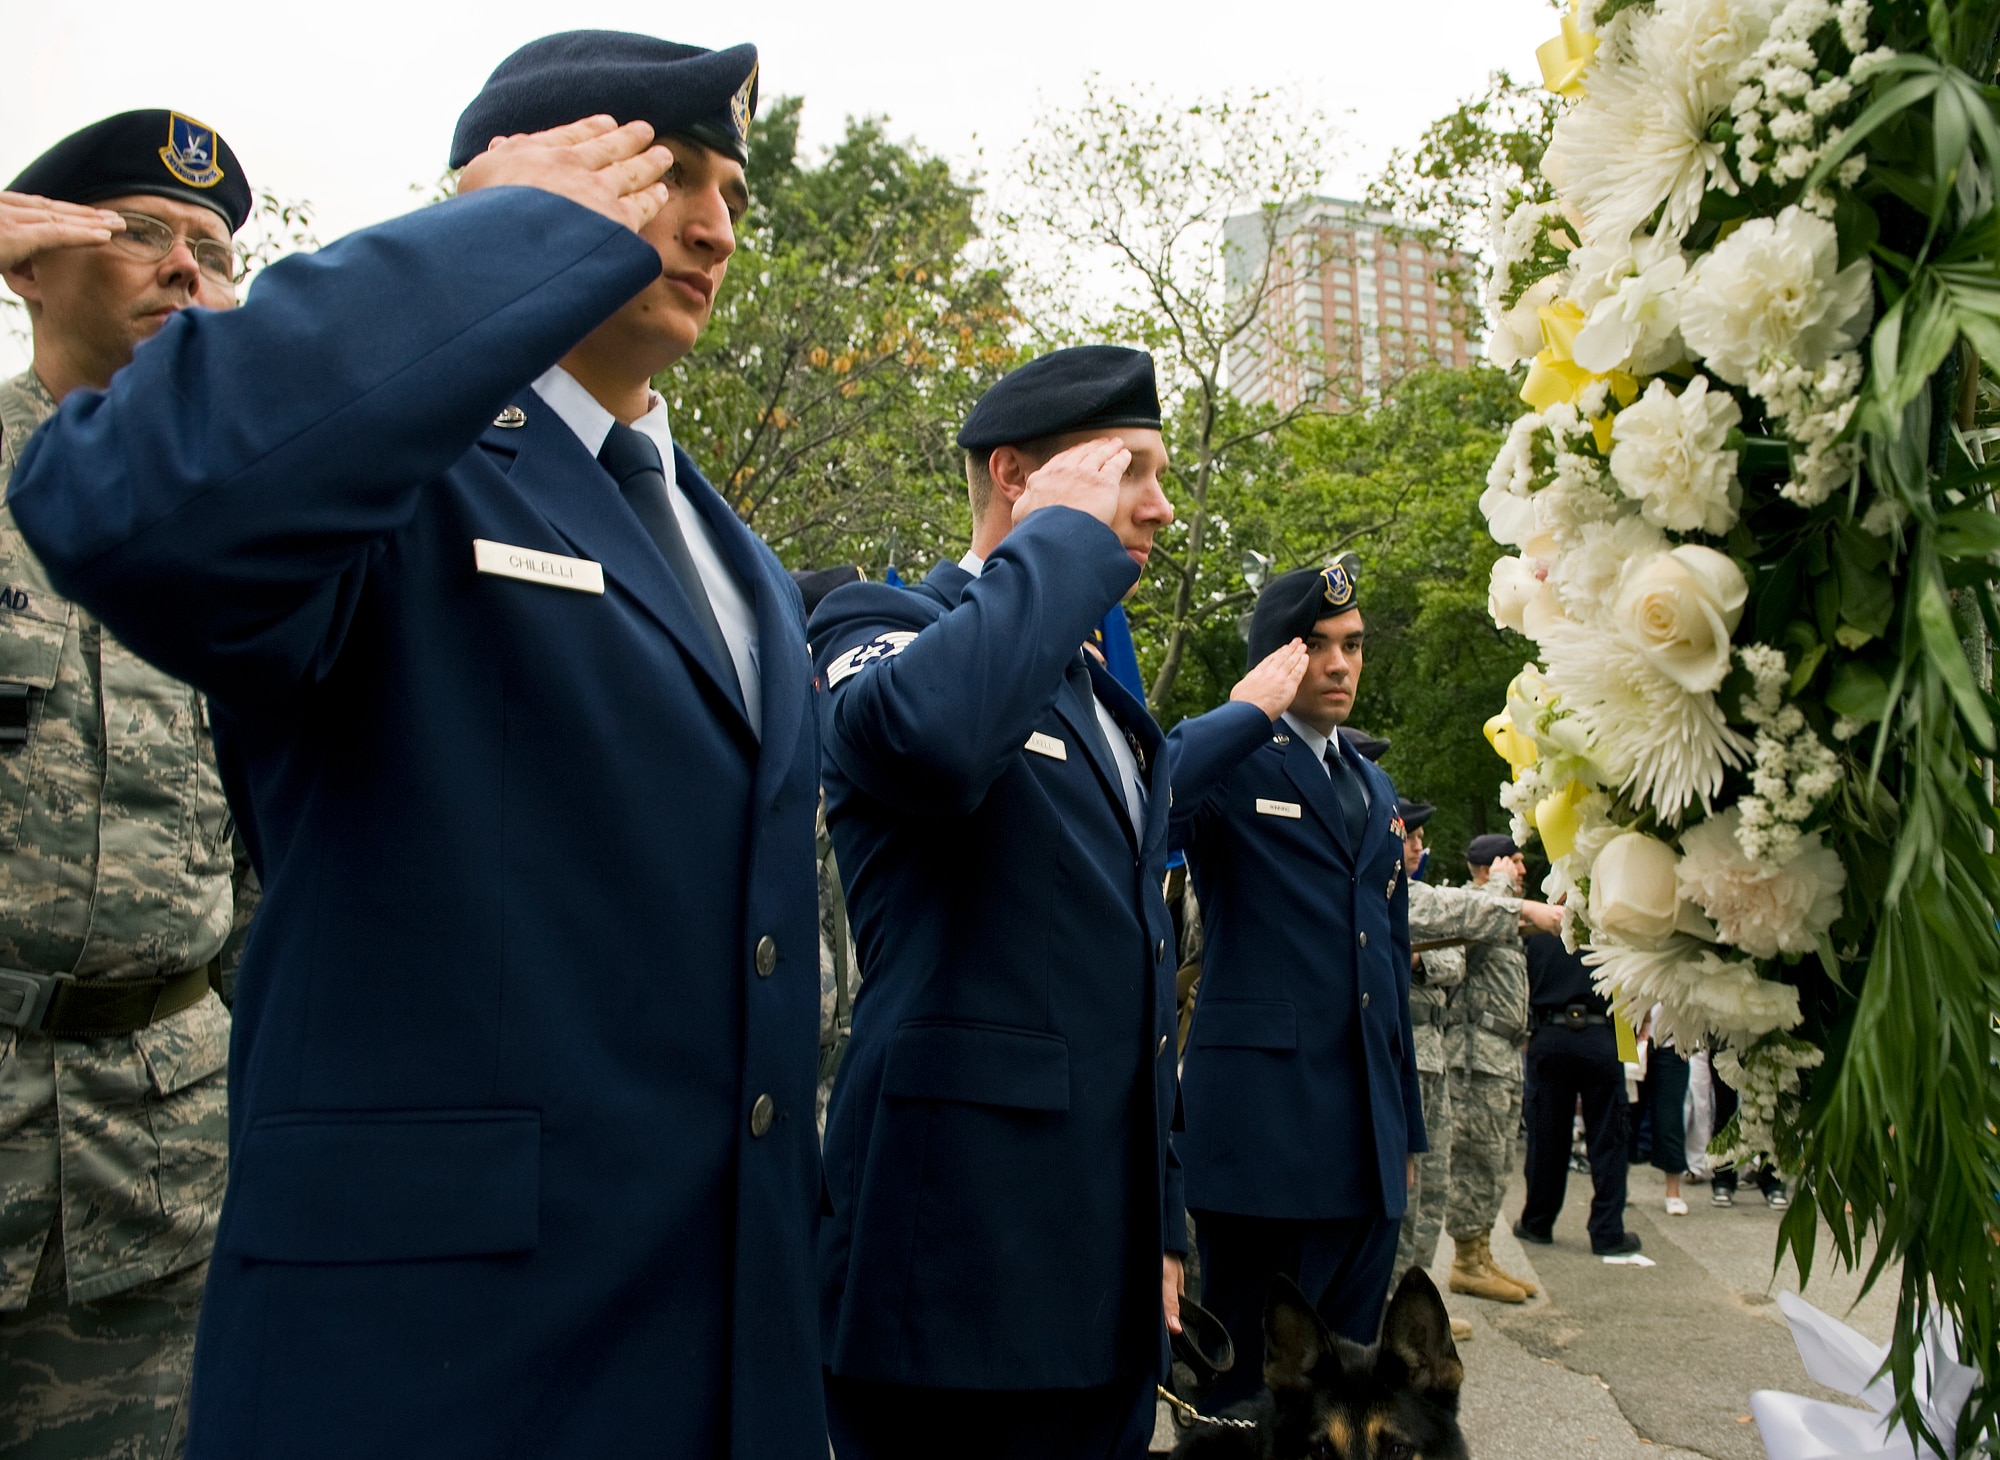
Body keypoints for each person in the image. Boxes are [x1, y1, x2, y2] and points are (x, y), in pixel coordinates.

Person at [10, 34, 829, 1459]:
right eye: (669, 175)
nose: (712, 225)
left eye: (735, 194)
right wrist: (491, 242)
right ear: (519, 189)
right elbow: (127, 502)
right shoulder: (383, 476)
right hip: (437, 1367)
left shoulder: (734, 555)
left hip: (705, 1351)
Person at [811, 346, 1184, 1460]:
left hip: (1101, 1276)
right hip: (955, 1270)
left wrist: (1160, 1230)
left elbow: (1138, 994)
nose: (1160, 508)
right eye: (1130, 470)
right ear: (1018, 477)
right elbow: (926, 741)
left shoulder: (1108, 708)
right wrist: (1060, 543)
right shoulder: (880, 623)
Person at [0, 109, 259, 1460]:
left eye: (211, 250)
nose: (182, 268)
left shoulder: (246, 536)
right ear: (30, 262)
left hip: (158, 1163)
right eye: (138, 232)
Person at [1163, 557, 1425, 1410]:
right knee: (1250, 1394)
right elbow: (1152, 805)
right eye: (1316, 646)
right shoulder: (1240, 756)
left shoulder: (1371, 782)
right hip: (1265, 1144)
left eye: (1352, 645)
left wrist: (1406, 1130)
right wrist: (1246, 709)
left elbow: (1386, 963)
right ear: (1279, 656)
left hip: (1363, 1145)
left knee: (1347, 1393)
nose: (1341, 664)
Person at [1394, 802, 1561, 1334]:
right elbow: (1450, 930)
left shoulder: (1438, 903)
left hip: (1454, 1054)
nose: (1419, 846)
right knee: (1416, 1190)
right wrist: (1508, 897)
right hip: (1437, 1050)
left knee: (1438, 1185)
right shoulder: (1429, 896)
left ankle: (1430, 1291)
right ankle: (1398, 1307)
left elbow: (1447, 960)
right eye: (1410, 835)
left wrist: (1425, 956)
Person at [1442, 834, 1542, 1305]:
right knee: (1476, 1160)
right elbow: (1470, 915)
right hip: (1475, 1058)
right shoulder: (1480, 902)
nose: (1520, 872)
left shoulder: (1503, 910)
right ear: (1486, 869)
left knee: (1499, 1162)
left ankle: (1481, 1254)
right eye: (1513, 863)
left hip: (1503, 1054)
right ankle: (1465, 1261)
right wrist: (1498, 884)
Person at [1513, 933, 1639, 1254]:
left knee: (1546, 1135)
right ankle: (1607, 1231)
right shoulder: (1613, 937)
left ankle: (1537, 1222)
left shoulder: (1537, 940)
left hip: (1550, 1034)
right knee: (1609, 1137)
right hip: (1601, 1035)